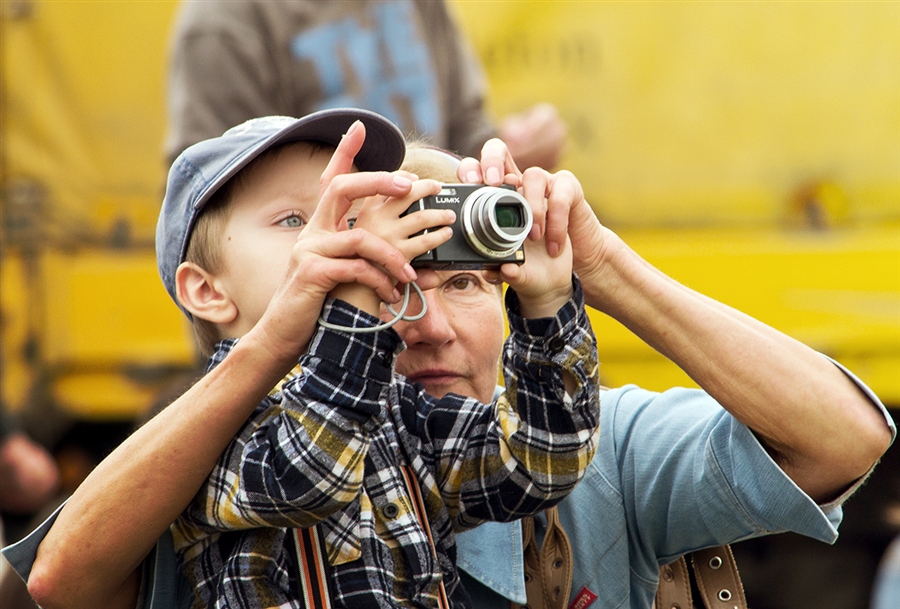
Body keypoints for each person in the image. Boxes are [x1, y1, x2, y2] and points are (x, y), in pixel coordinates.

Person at [5, 128, 894, 608]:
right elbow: (56, 580)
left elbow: (546, 459)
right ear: (210, 289)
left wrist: (578, 280)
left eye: (463, 279)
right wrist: (319, 322)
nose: (416, 320)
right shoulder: (198, 446)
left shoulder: (460, 435)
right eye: (389, 280)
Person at [165, 0, 567, 170]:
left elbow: (465, 130)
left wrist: (504, 153)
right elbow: (213, 213)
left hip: (429, 289)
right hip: (313, 325)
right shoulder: (222, 24)